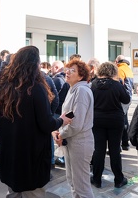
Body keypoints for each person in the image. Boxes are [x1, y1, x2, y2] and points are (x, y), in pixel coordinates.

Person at [0, 46, 70, 197]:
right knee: (33, 193)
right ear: (35, 64)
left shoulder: (1, 86)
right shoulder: (35, 88)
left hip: (9, 151)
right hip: (30, 154)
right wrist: (61, 120)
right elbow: (46, 123)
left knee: (13, 191)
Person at [52, 59, 95, 197]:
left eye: (73, 71)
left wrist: (60, 134)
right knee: (73, 182)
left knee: (81, 185)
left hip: (80, 142)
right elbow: (70, 115)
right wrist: (60, 133)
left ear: (81, 76)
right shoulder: (74, 89)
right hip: (72, 141)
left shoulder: (81, 90)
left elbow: (76, 123)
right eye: (68, 69)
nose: (68, 73)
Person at [90, 62, 130, 189]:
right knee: (114, 150)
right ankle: (118, 179)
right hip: (115, 120)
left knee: (98, 150)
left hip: (97, 120)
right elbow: (126, 99)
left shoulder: (93, 84)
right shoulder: (117, 85)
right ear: (113, 72)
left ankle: (96, 179)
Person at [51, 60, 70, 167]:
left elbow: (53, 98)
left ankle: (56, 159)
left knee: (56, 136)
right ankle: (62, 157)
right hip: (62, 112)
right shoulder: (64, 79)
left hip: (58, 112)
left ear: (57, 67)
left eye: (53, 67)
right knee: (61, 136)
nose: (51, 69)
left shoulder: (58, 80)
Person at [115, 55, 134, 150]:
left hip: (122, 98)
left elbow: (119, 84)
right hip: (128, 97)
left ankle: (120, 145)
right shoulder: (128, 69)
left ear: (116, 61)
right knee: (124, 119)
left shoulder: (120, 69)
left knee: (121, 121)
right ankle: (125, 143)